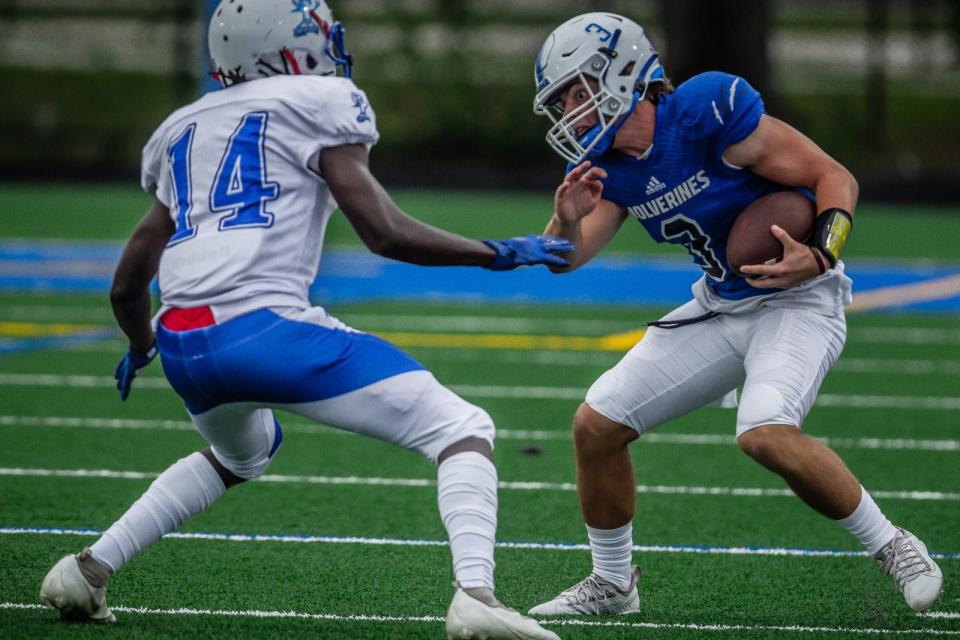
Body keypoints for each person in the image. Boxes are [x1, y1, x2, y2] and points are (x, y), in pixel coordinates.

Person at [37, 2, 566, 638]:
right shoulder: (319, 100)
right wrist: (496, 254)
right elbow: (384, 232)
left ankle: (89, 569)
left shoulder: (181, 127)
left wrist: (142, 342)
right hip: (264, 330)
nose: (328, 47)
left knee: (244, 452)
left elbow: (127, 284)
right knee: (461, 427)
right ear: (283, 46)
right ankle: (477, 596)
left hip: (183, 341)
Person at [526, 12, 943, 617]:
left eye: (574, 90)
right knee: (596, 426)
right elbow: (566, 258)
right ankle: (614, 584)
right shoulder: (605, 169)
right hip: (720, 303)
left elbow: (834, 176)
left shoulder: (704, 110)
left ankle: (893, 545)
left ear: (619, 72)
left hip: (798, 300)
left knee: (764, 432)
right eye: (561, 99)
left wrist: (822, 253)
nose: (569, 110)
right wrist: (564, 219)